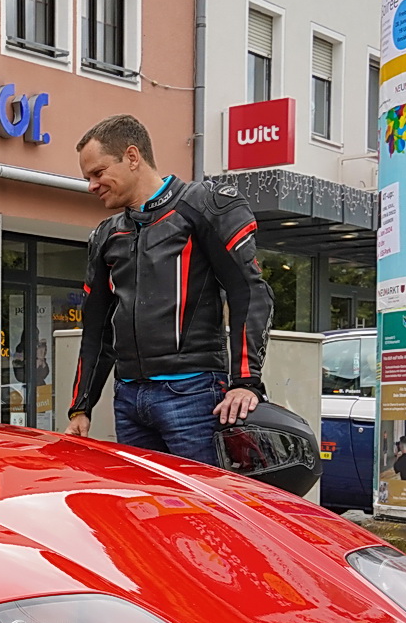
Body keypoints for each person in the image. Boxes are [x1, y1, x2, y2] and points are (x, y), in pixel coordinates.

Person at [66, 115, 272, 465]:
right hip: (129, 397)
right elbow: (97, 327)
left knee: (203, 511)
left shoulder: (204, 205)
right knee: (144, 511)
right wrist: (80, 407)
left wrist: (246, 381)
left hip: (193, 394)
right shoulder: (105, 235)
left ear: (132, 157)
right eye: (87, 177)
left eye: (98, 173)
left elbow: (248, 292)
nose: (91, 186)